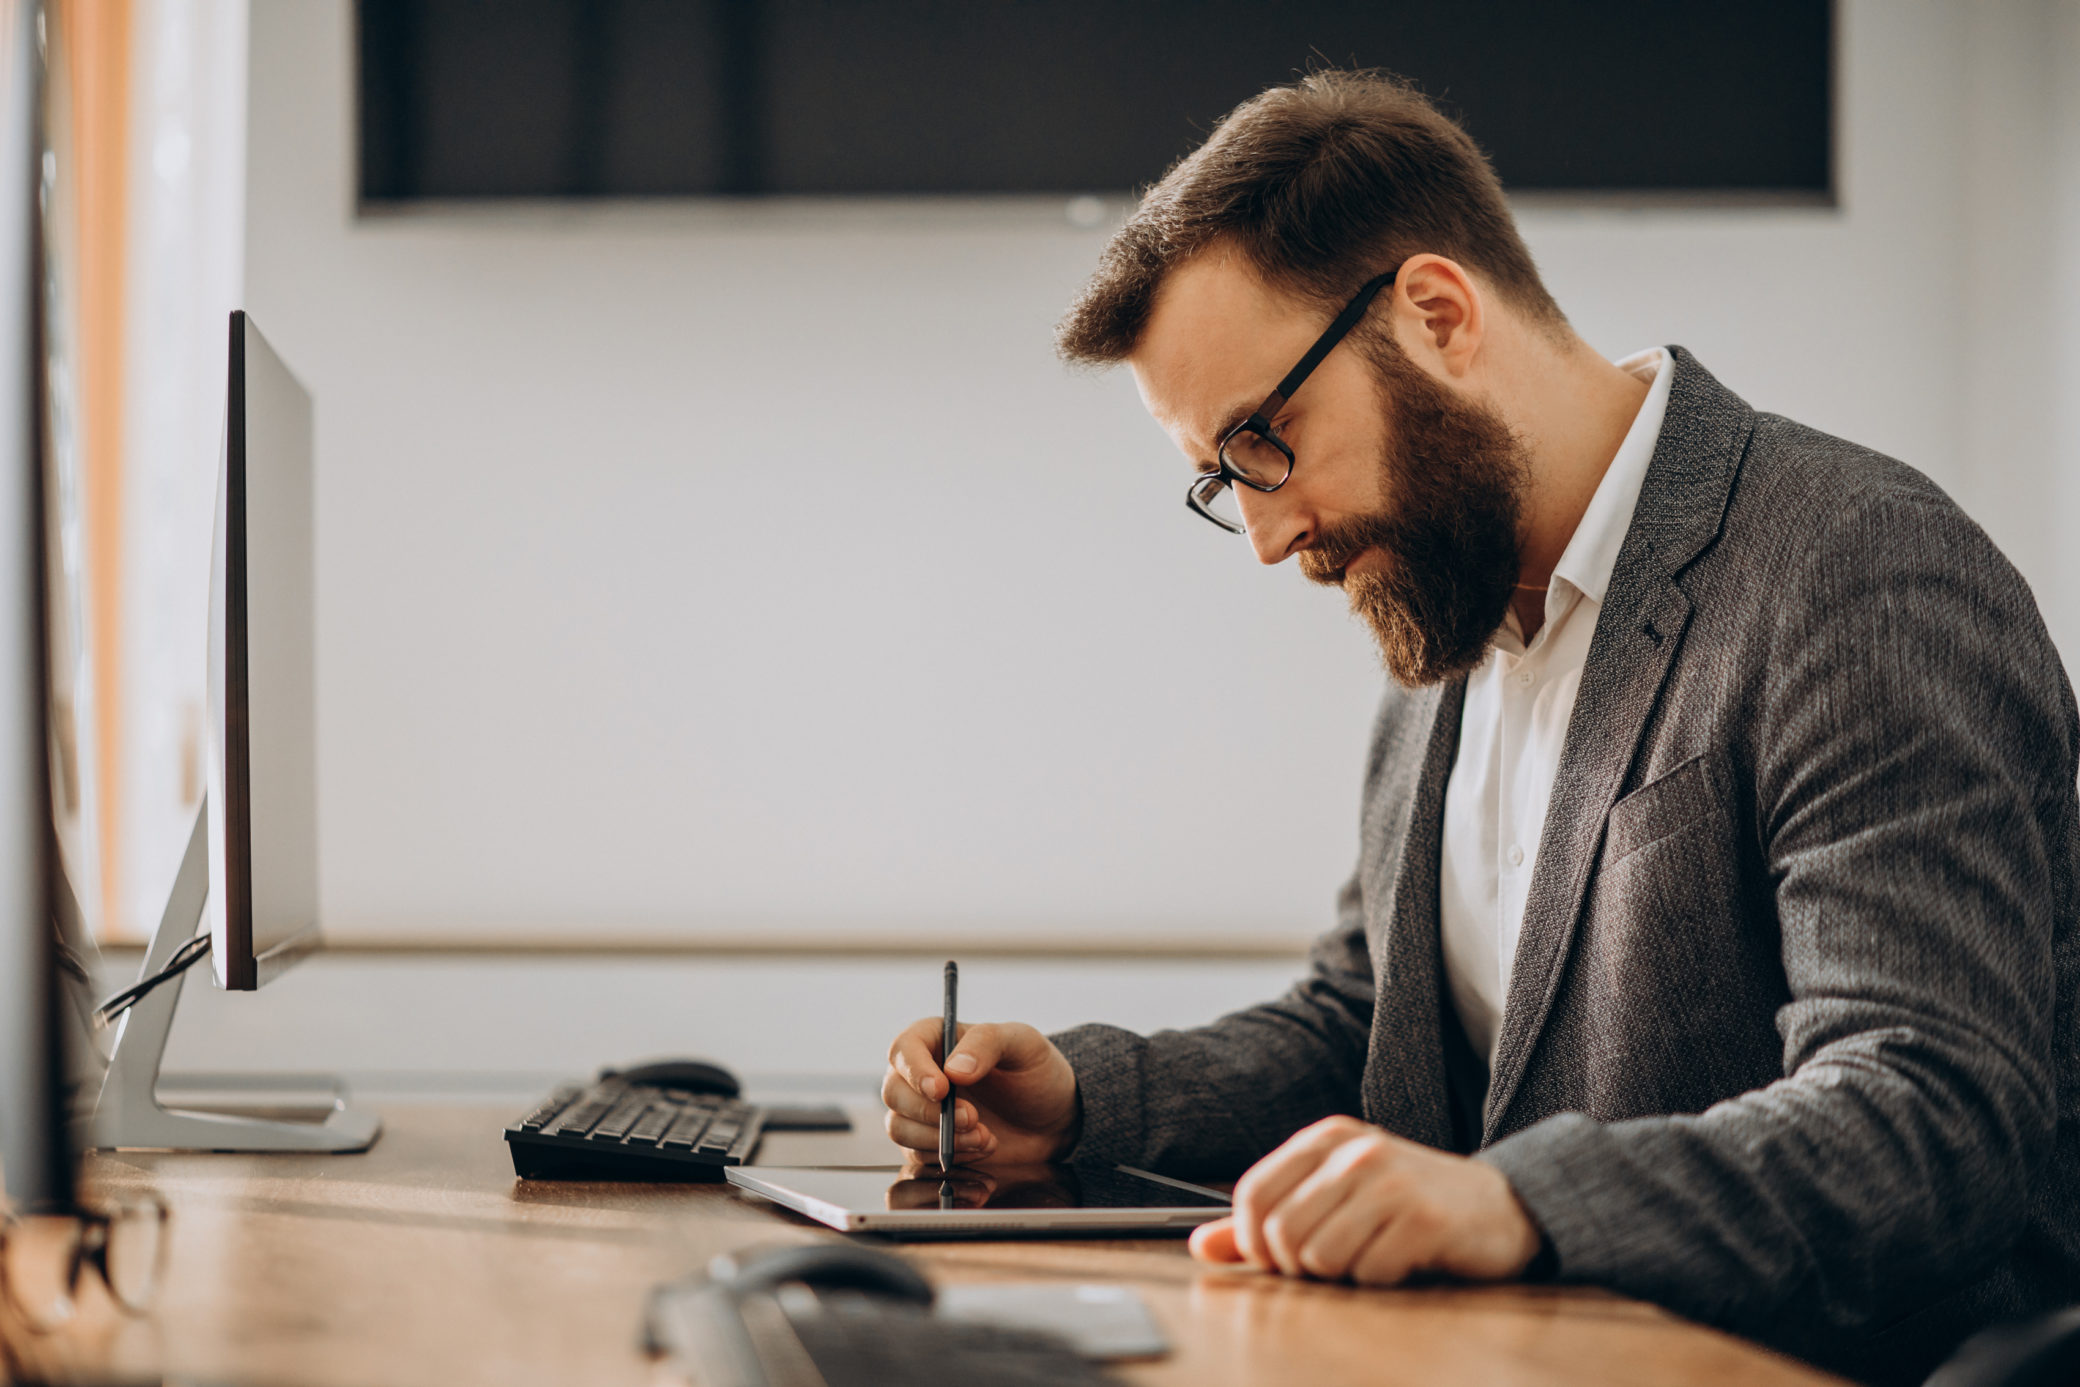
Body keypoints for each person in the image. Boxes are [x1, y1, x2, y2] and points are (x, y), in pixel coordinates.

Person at [877, 70, 2080, 1385]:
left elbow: (1932, 1113)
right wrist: (1087, 1098)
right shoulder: (1442, 606)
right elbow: (1371, 1025)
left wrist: (1519, 1202)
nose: (1269, 537)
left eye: (1266, 443)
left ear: (1439, 315)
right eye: (1222, 484)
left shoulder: (1856, 573)